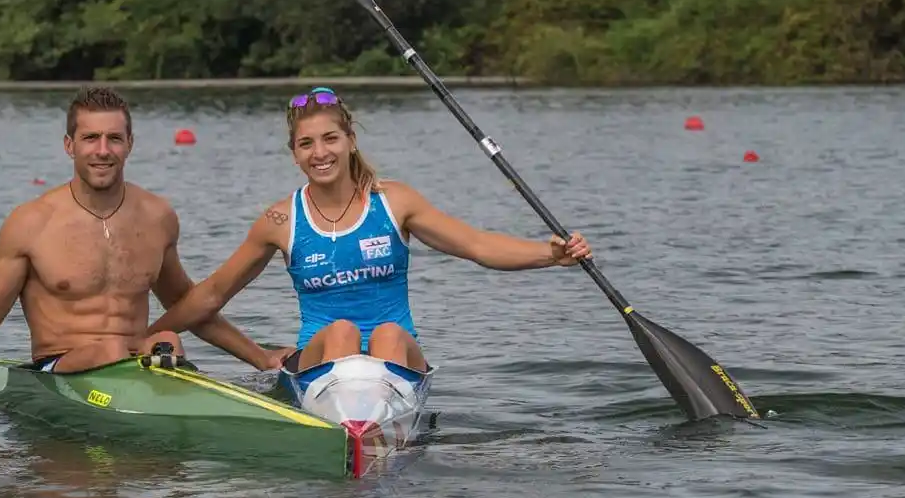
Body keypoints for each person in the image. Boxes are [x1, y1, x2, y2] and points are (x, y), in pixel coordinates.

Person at [144, 87, 593, 372]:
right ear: (294, 154)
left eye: (330, 139)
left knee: (387, 335)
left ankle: (373, 426)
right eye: (306, 144)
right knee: (340, 331)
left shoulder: (395, 202)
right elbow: (210, 295)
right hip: (320, 359)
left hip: (396, 354)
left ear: (350, 141)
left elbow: (477, 245)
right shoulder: (279, 221)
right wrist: (146, 336)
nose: (320, 153)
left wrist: (549, 255)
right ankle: (356, 433)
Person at [0, 85, 289, 374]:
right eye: (90, 139)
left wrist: (261, 358)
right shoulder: (31, 223)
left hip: (137, 365)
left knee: (167, 340)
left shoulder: (157, 217)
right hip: (59, 372)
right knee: (114, 349)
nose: (102, 151)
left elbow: (191, 307)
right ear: (70, 145)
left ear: (130, 144)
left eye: (113, 139)